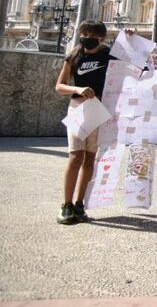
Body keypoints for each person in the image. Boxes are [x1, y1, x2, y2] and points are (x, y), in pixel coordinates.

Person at [54, 20, 117, 224]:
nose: (88, 38)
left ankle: (80, 203)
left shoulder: (108, 55)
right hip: (78, 109)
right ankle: (66, 204)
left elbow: (134, 59)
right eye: (85, 34)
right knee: (75, 157)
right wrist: (77, 89)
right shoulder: (74, 56)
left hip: (99, 111)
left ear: (102, 38)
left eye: (93, 35)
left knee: (90, 159)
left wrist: (131, 36)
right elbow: (60, 86)